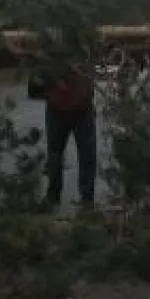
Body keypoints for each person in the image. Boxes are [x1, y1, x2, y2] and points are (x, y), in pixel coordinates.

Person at [39, 57, 97, 211]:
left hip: (82, 106)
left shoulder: (82, 43)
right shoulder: (51, 45)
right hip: (56, 106)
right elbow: (40, 67)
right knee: (54, 154)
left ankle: (87, 198)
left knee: (87, 154)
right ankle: (52, 195)